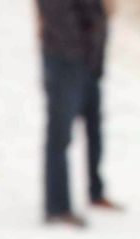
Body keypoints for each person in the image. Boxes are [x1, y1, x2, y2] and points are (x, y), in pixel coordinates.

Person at [37, 0, 123, 225]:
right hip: (65, 61)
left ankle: (96, 191)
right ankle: (57, 207)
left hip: (88, 61)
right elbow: (57, 17)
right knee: (60, 135)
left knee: (95, 129)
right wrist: (82, 46)